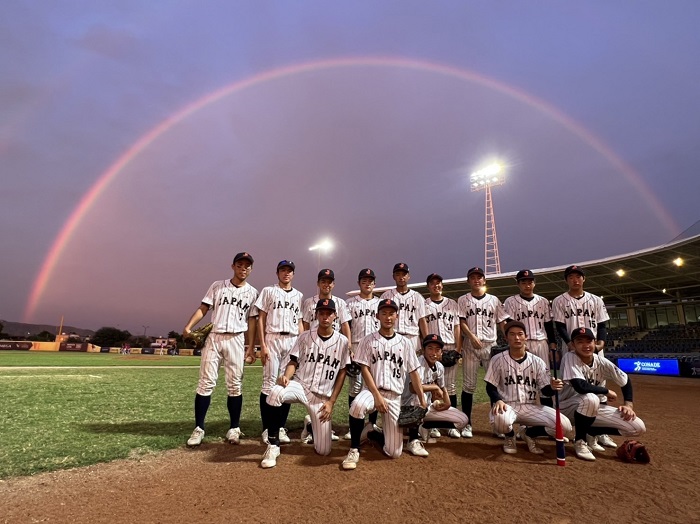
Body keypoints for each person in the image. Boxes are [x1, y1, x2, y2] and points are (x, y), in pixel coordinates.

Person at [261, 299, 351, 468]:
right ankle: (273, 445)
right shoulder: (303, 337)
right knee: (275, 392)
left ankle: (309, 426)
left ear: (335, 316)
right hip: (301, 386)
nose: (325, 317)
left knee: (323, 450)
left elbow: (342, 372)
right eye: (321, 313)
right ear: (316, 315)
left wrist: (331, 402)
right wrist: (287, 376)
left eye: (328, 313)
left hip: (322, 398)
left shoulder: (343, 341)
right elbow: (293, 362)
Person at [183, 252, 259, 448]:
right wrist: (188, 327)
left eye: (247, 266)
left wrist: (250, 347)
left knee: (235, 385)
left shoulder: (253, 293)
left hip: (236, 339)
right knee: (205, 384)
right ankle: (199, 428)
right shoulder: (217, 285)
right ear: (233, 266)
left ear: (251, 269)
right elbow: (203, 308)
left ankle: (234, 427)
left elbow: (252, 321)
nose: (244, 268)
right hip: (214, 337)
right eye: (240, 265)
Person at [342, 299, 426, 470]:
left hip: (394, 397)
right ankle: (354, 448)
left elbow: (414, 373)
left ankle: (373, 433)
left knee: (394, 452)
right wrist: (377, 395)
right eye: (384, 313)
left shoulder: (405, 343)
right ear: (377, 316)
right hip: (372, 392)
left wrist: (423, 400)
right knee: (357, 406)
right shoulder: (368, 340)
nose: (388, 317)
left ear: (397, 316)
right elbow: (364, 369)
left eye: (391, 313)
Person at [484, 320, 573, 455]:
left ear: (526, 337)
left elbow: (545, 391)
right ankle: (510, 436)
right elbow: (490, 386)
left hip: (531, 407)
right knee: (500, 421)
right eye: (512, 334)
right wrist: (498, 400)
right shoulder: (497, 359)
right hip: (507, 406)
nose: (517, 338)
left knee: (565, 426)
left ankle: (529, 433)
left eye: (520, 334)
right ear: (506, 338)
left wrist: (553, 387)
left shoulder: (537, 361)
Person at [559, 327, 646, 461]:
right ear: (573, 345)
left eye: (589, 341)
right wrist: (605, 391)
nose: (586, 345)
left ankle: (591, 432)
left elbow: (625, 379)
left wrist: (628, 405)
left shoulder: (601, 361)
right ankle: (580, 441)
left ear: (594, 343)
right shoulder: (570, 357)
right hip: (565, 409)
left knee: (637, 427)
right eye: (580, 342)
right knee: (590, 398)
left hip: (589, 410)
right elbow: (580, 386)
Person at [552, 264, 614, 448]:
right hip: (571, 349)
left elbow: (602, 324)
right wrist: (569, 342)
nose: (575, 279)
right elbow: (560, 325)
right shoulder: (559, 300)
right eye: (571, 277)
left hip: (594, 348)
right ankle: (576, 427)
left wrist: (601, 343)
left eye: (578, 276)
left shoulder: (595, 300)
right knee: (573, 388)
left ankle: (597, 431)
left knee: (599, 387)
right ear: (567, 280)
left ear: (583, 279)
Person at [253, 259, 304, 445]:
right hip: (272, 338)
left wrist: (302, 344)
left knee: (286, 384)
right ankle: (267, 429)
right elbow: (261, 318)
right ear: (277, 273)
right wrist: (262, 345)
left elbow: (299, 322)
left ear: (293, 274)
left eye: (289, 270)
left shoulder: (298, 295)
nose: (286, 273)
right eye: (283, 270)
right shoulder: (268, 291)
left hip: (291, 340)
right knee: (268, 384)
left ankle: (281, 427)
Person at [457, 266, 508, 438]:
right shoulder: (463, 300)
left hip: (490, 345)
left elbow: (502, 321)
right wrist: (470, 336)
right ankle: (467, 424)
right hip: (471, 346)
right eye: (473, 277)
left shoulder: (494, 300)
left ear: (484, 280)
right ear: (468, 281)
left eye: (479, 277)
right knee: (468, 386)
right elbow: (461, 321)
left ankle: (497, 423)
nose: (476, 280)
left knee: (494, 385)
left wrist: (508, 338)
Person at [402, 334, 469, 456]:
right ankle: (412, 440)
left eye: (437, 349)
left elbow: (443, 388)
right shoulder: (417, 364)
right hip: (406, 407)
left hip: (425, 408)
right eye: (430, 348)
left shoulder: (439, 366)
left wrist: (447, 403)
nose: (433, 353)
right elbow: (413, 388)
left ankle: (422, 425)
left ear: (441, 352)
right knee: (418, 398)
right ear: (423, 350)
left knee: (462, 420)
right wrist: (434, 387)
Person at [503, 270, 558, 407]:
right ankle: (524, 414)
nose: (527, 285)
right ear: (518, 284)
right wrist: (517, 344)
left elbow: (548, 325)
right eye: (523, 282)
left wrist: (553, 344)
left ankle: (547, 412)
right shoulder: (511, 301)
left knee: (544, 378)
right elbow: (510, 324)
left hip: (541, 342)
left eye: (530, 282)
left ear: (534, 283)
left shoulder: (543, 301)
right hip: (522, 343)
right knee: (523, 378)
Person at [424, 273, 462, 438]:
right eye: (432, 283)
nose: (436, 285)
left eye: (438, 283)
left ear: (442, 285)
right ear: (428, 286)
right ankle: (433, 424)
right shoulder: (424, 304)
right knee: (433, 388)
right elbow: (422, 327)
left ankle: (449, 423)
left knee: (450, 387)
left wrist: (458, 350)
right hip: (432, 348)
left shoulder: (452, 304)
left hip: (449, 346)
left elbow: (457, 328)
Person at [344, 268, 381, 439]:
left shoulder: (380, 303)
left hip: (375, 347)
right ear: (359, 283)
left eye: (370, 281)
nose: (367, 284)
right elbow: (347, 327)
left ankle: (371, 425)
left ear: (374, 283)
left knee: (374, 387)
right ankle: (354, 427)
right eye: (364, 281)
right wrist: (349, 348)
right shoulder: (350, 303)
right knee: (355, 388)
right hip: (357, 346)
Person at [380, 263, 428, 352]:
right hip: (392, 336)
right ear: (393, 277)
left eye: (404, 274)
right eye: (398, 275)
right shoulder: (386, 296)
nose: (401, 277)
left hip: (412, 338)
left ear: (408, 276)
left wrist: (426, 342)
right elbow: (380, 319)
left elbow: (422, 320)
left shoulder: (417, 297)